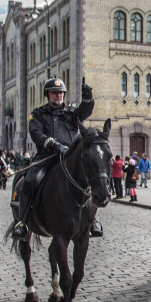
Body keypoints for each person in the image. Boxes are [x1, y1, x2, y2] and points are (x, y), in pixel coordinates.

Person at [12, 77, 98, 241]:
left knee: (89, 181)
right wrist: (53, 144)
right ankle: (23, 222)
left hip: (69, 156)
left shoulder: (71, 113)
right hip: (47, 157)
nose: (58, 95)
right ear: (47, 94)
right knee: (29, 181)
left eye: (61, 93)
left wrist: (88, 97)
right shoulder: (38, 114)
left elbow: (85, 111)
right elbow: (36, 133)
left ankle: (91, 219)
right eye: (54, 93)